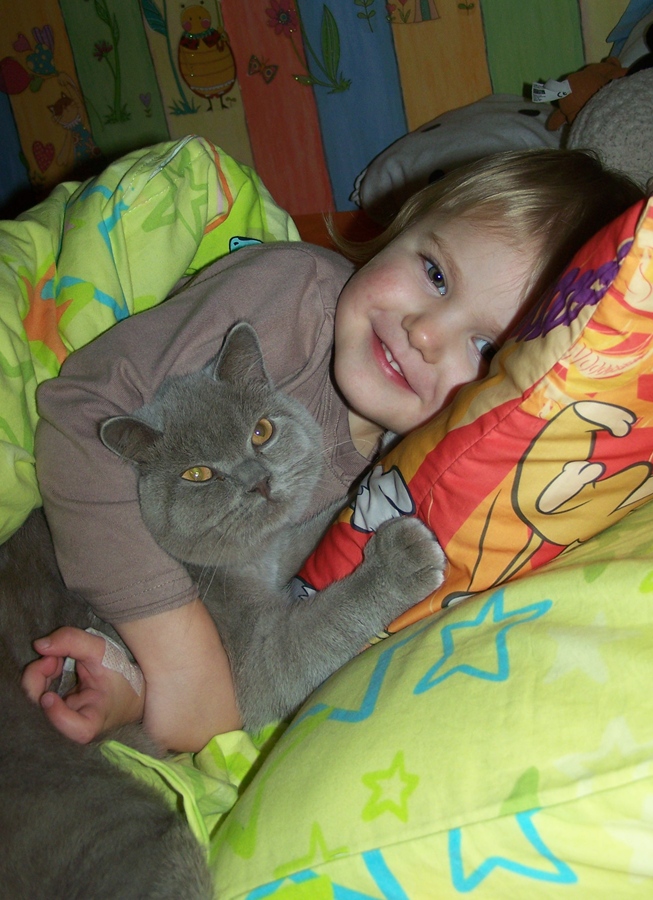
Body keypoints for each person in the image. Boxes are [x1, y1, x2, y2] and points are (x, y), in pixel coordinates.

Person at [22, 149, 644, 752]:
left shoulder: (426, 472)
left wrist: (140, 678)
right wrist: (176, 654)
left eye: (486, 347)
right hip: (67, 542)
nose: (425, 333)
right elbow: (82, 413)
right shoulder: (288, 296)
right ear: (407, 221)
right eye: (435, 274)